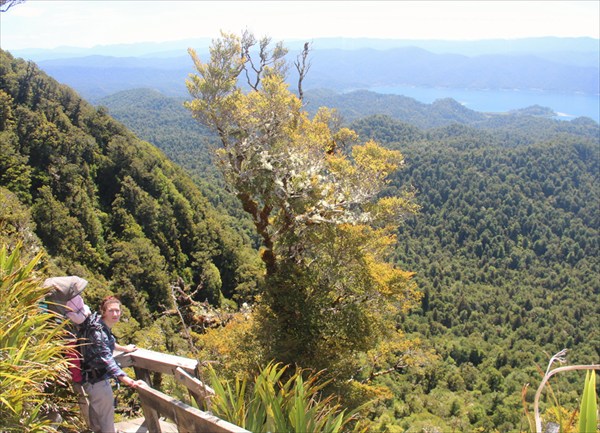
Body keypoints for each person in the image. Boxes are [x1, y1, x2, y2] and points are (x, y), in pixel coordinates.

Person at [82, 295, 144, 433]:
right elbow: (107, 358)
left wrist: (124, 349)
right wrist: (127, 379)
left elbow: (108, 343)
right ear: (104, 312)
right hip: (97, 380)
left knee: (97, 416)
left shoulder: (99, 325)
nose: (115, 314)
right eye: (111, 311)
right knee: (106, 421)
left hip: (91, 378)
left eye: (117, 310)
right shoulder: (98, 332)